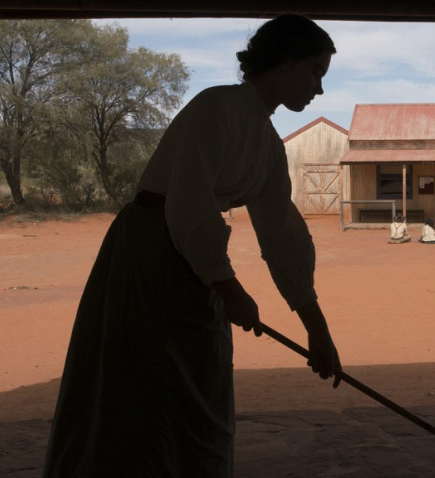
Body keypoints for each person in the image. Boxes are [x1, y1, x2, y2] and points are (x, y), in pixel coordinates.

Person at [43, 14, 342, 478]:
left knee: (201, 383)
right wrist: (229, 289)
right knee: (138, 391)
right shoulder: (217, 107)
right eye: (315, 72)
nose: (319, 89)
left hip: (196, 267)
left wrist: (317, 330)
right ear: (285, 62)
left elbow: (282, 239)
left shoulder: (267, 144)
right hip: (148, 256)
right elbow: (187, 208)